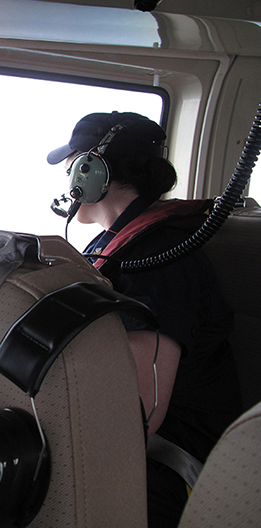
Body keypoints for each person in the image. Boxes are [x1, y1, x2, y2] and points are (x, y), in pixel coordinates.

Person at [47, 112, 242, 528]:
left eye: (71, 166)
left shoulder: (160, 256)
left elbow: (139, 414)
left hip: (169, 462)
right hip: (142, 449)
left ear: (92, 169)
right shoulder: (112, 244)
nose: (67, 179)